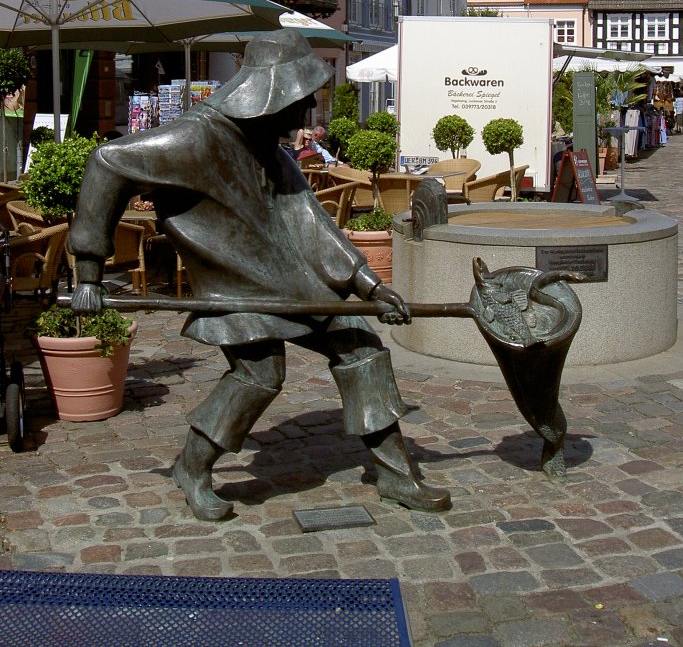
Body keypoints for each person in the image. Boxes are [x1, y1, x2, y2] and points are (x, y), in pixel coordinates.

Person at [68, 31, 450, 522]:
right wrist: (89, 273)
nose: (310, 106)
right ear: (273, 93)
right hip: (235, 285)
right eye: (302, 95)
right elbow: (106, 163)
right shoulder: (193, 139)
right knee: (261, 372)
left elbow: (311, 223)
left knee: (362, 348)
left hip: (293, 283)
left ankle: (396, 474)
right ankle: (192, 466)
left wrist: (369, 285)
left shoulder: (271, 149)